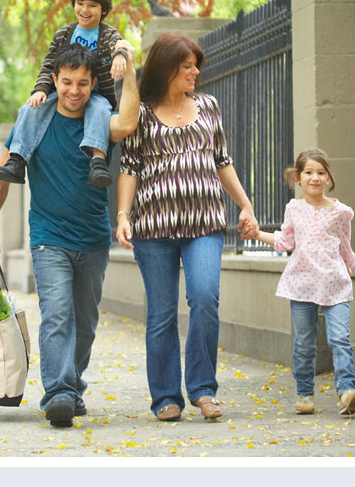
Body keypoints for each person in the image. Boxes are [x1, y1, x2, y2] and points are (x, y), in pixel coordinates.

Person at [0, 41, 140, 428]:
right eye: (67, 82)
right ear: (54, 80)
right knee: (57, 315)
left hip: (93, 236)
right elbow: (1, 174)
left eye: (83, 83)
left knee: (85, 322)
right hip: (49, 235)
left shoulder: (100, 117)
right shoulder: (35, 116)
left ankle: (73, 386)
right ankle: (58, 394)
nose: (74, 91)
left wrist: (130, 69)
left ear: (91, 84)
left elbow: (130, 122)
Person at [115, 32, 258, 423]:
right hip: (153, 228)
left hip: (204, 224)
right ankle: (165, 396)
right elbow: (129, 168)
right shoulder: (140, 114)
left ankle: (203, 389)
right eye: (186, 65)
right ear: (166, 68)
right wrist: (123, 215)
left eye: (196, 65)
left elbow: (222, 161)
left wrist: (245, 206)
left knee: (205, 298)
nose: (195, 72)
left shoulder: (208, 107)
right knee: (161, 313)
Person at [244, 148, 355, 416]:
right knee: (304, 343)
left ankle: (346, 391)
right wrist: (257, 233)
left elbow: (345, 245)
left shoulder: (341, 212)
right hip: (302, 283)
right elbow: (285, 242)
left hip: (336, 283)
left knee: (340, 338)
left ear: (328, 178)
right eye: (309, 172)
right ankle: (304, 394)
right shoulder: (294, 208)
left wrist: (348, 267)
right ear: (298, 178)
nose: (315, 178)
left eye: (321, 173)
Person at [0, 0, 130, 189]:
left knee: (100, 110)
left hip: (95, 93)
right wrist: (40, 89)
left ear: (103, 10)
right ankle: (18, 159)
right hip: (64, 91)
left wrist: (120, 55)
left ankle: (97, 160)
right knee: (30, 108)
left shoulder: (107, 34)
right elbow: (49, 64)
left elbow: (119, 45)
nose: (84, 10)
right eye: (80, 4)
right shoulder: (64, 34)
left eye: (92, 6)